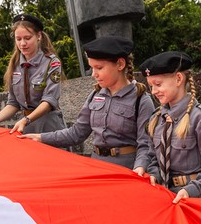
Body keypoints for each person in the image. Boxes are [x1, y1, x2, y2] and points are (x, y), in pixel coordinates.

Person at [21, 36, 153, 169]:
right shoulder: (95, 95)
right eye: (92, 68)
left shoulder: (141, 100)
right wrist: (40, 138)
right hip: (97, 167)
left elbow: (145, 144)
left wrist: (140, 168)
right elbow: (76, 133)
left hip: (126, 170)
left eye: (99, 68)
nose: (93, 74)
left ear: (120, 64)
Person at [134, 51, 201, 203]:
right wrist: (153, 174)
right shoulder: (156, 119)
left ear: (178, 78)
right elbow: (154, 158)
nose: (153, 92)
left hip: (194, 200)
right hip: (164, 197)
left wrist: (191, 190)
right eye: (151, 86)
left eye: (158, 84)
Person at [0, 13, 66, 134]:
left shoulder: (51, 63)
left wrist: (26, 120)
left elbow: (49, 101)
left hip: (49, 126)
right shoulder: (15, 65)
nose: (22, 44)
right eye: (18, 39)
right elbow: (13, 103)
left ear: (38, 36)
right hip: (26, 127)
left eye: (27, 38)